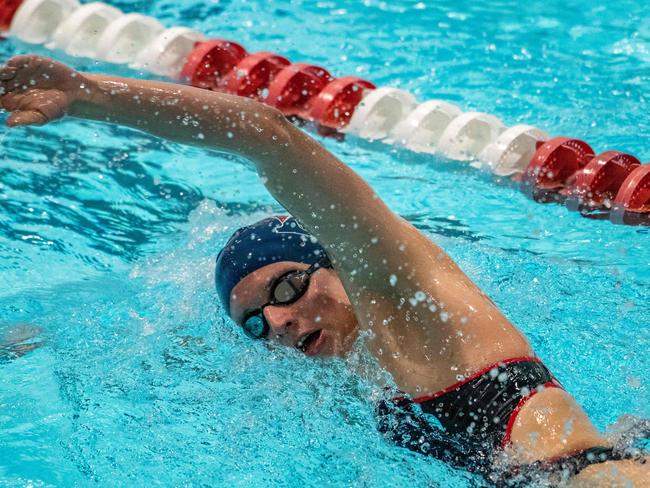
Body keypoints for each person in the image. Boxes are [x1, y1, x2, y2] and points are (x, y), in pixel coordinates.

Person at [0, 55, 647, 486]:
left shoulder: (396, 286)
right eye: (257, 322)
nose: (278, 321)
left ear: (335, 261)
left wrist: (92, 96)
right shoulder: (353, 364)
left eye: (285, 288)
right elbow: (172, 356)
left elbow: (267, 136)